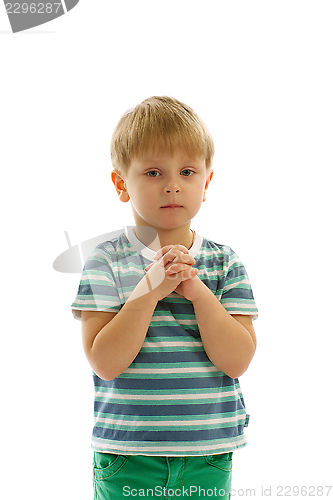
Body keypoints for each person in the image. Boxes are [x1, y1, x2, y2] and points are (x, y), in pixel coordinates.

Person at [71, 96, 258, 500]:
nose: (173, 184)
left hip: (207, 454)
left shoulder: (225, 263)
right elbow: (104, 362)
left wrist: (198, 293)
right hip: (127, 456)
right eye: (154, 172)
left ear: (206, 183)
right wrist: (148, 292)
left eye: (187, 171)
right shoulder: (105, 263)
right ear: (122, 184)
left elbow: (237, 359)